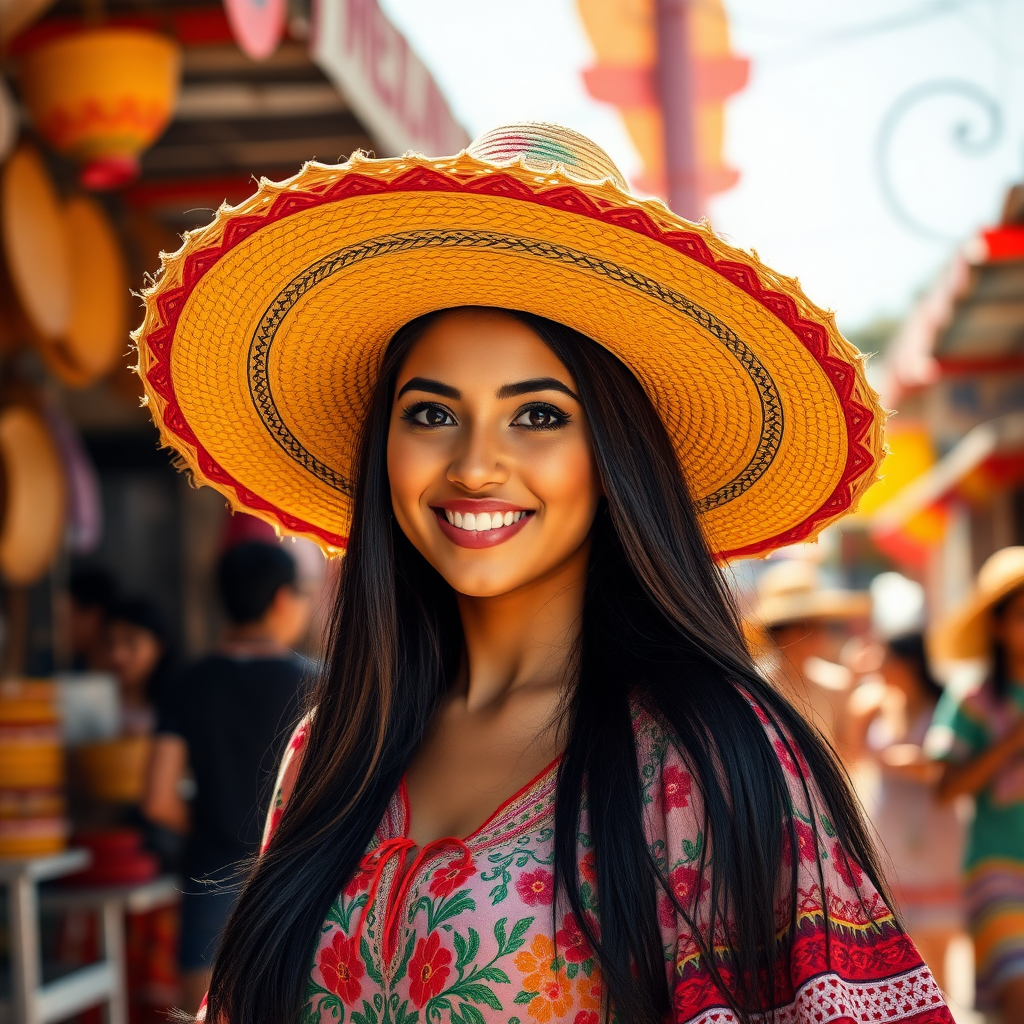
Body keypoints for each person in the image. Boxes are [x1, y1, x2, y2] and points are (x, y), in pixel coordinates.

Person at [133, 124, 952, 1024]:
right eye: (433, 411)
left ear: (616, 457)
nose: (476, 465)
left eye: (538, 416)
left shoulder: (705, 757)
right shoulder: (328, 751)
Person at [143, 541, 313, 1013]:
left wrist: (213, 829)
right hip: (293, 883)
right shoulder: (319, 685)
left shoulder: (187, 682)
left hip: (207, 879)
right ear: (282, 599)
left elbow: (158, 798)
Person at [927, 546, 1024, 1019]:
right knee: (1017, 990)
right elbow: (946, 789)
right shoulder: (972, 699)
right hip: (996, 870)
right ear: (999, 625)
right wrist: (1011, 743)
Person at [748, 560, 871, 762]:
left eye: (820, 624)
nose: (819, 633)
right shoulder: (755, 685)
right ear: (780, 632)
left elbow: (848, 757)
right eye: (806, 625)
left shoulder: (836, 682)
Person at [107, 596, 173, 736]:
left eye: (130, 642)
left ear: (159, 646)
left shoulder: (179, 705)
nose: (117, 655)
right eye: (110, 643)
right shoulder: (98, 708)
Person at [68, 563, 118, 671]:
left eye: (65, 616)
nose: (58, 628)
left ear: (93, 617)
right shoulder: (77, 667)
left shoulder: (123, 675)